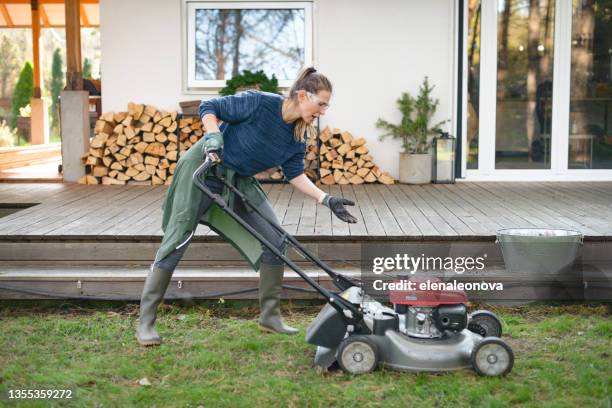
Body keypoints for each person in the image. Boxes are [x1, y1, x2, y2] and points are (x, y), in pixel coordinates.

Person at [136, 66, 358, 346]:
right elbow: (210, 105)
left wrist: (326, 199)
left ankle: (270, 317)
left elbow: (295, 174)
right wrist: (213, 134)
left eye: (327, 106)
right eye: (321, 104)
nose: (323, 112)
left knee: (276, 240)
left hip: (237, 179)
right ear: (303, 95)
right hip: (203, 168)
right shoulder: (260, 102)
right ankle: (146, 323)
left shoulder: (297, 136)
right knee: (177, 239)